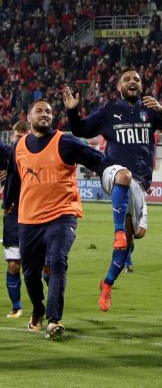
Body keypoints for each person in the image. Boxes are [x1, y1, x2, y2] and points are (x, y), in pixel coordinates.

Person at [65, 68, 162, 311]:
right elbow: (81, 130)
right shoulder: (109, 111)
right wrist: (73, 111)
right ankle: (118, 231)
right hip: (112, 172)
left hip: (140, 183)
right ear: (119, 86)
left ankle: (107, 284)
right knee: (123, 175)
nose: (132, 82)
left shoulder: (149, 110)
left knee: (133, 238)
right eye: (127, 79)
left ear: (141, 86)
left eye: (137, 79)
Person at [3, 99, 106, 340]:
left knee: (57, 262)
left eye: (49, 111)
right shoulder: (18, 147)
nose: (45, 114)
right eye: (39, 110)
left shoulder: (66, 141)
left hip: (62, 215)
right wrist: (7, 203)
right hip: (28, 219)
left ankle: (54, 320)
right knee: (30, 273)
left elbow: (97, 159)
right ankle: (37, 308)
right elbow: (13, 180)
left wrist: (117, 171)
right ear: (29, 117)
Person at [1, 121, 30, 318]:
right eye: (16, 137)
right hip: (13, 215)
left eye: (23, 136)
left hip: (39, 213)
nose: (18, 140)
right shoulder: (6, 154)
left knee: (45, 265)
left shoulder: (39, 154)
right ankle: (17, 307)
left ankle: (47, 304)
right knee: (13, 263)